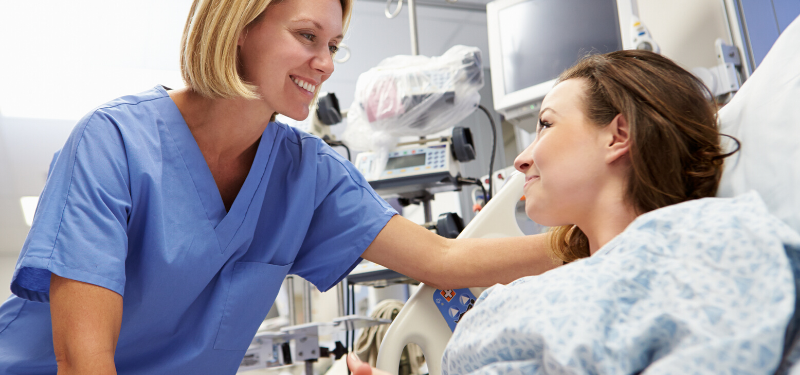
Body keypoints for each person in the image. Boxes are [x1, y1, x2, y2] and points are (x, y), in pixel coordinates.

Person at [0, 0, 559, 373]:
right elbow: (83, 361)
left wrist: (588, 239)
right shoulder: (114, 142)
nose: (325, 64)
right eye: (307, 36)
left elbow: (443, 260)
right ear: (240, 27)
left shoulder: (306, 174)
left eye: (334, 45)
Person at [347, 50, 800, 374]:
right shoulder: (525, 295)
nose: (521, 160)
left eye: (545, 124)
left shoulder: (714, 245)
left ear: (618, 135)